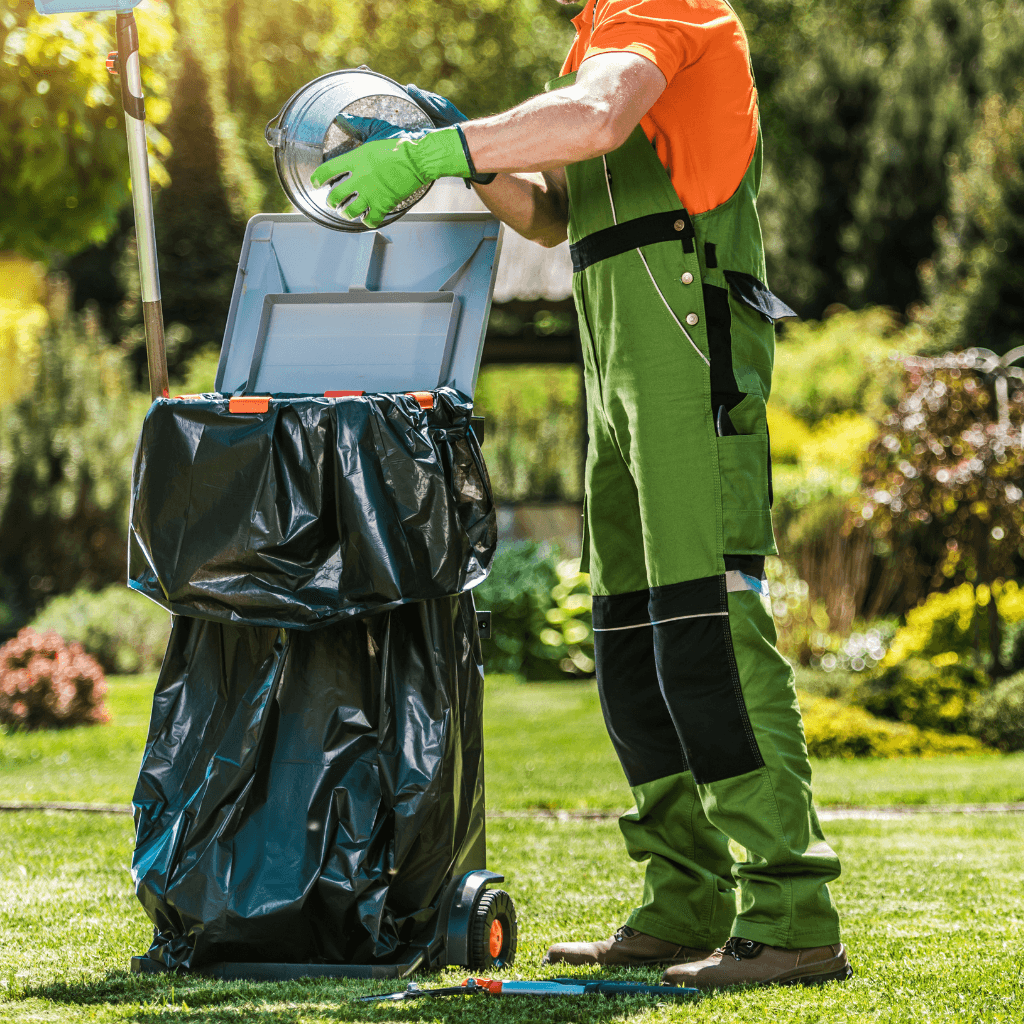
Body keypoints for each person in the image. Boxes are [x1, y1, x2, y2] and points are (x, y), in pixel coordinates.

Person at [312, 0, 852, 990]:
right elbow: (553, 213)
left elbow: (599, 117)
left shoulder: (667, 7)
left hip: (689, 341)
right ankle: (683, 894)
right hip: (615, 357)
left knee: (710, 621)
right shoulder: (596, 28)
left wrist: (439, 146)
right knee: (633, 633)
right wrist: (465, 158)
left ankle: (790, 908)